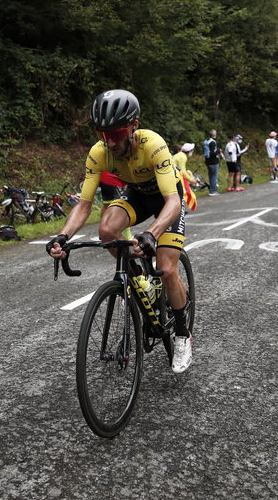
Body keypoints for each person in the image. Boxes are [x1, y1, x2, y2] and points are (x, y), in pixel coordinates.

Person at [47, 89, 193, 373]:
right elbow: (85, 203)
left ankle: (183, 335)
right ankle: (140, 281)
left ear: (133, 126)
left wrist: (151, 233)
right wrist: (63, 236)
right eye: (103, 134)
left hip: (167, 199)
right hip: (137, 195)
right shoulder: (99, 152)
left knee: (167, 268)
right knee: (106, 228)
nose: (110, 141)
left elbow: (173, 201)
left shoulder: (153, 145)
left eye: (117, 133)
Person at [202, 129, 223, 196]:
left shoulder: (206, 141)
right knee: (214, 176)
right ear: (214, 135)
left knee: (211, 176)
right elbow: (212, 153)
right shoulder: (213, 142)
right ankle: (213, 191)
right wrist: (219, 151)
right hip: (213, 162)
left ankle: (211, 190)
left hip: (208, 161)